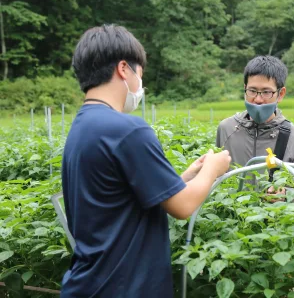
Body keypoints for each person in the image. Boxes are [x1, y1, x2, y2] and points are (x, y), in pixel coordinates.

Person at [61, 25, 231, 297]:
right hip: (125, 285)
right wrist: (212, 169)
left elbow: (123, 197)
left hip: (90, 282)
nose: (141, 83)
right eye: (140, 74)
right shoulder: (129, 130)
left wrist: (187, 175)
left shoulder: (83, 126)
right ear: (124, 68)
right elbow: (183, 206)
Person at [216, 56, 294, 200]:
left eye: (266, 92)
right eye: (252, 91)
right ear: (245, 89)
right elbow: (217, 180)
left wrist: (286, 195)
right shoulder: (226, 129)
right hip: (231, 217)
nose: (258, 100)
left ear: (280, 94)